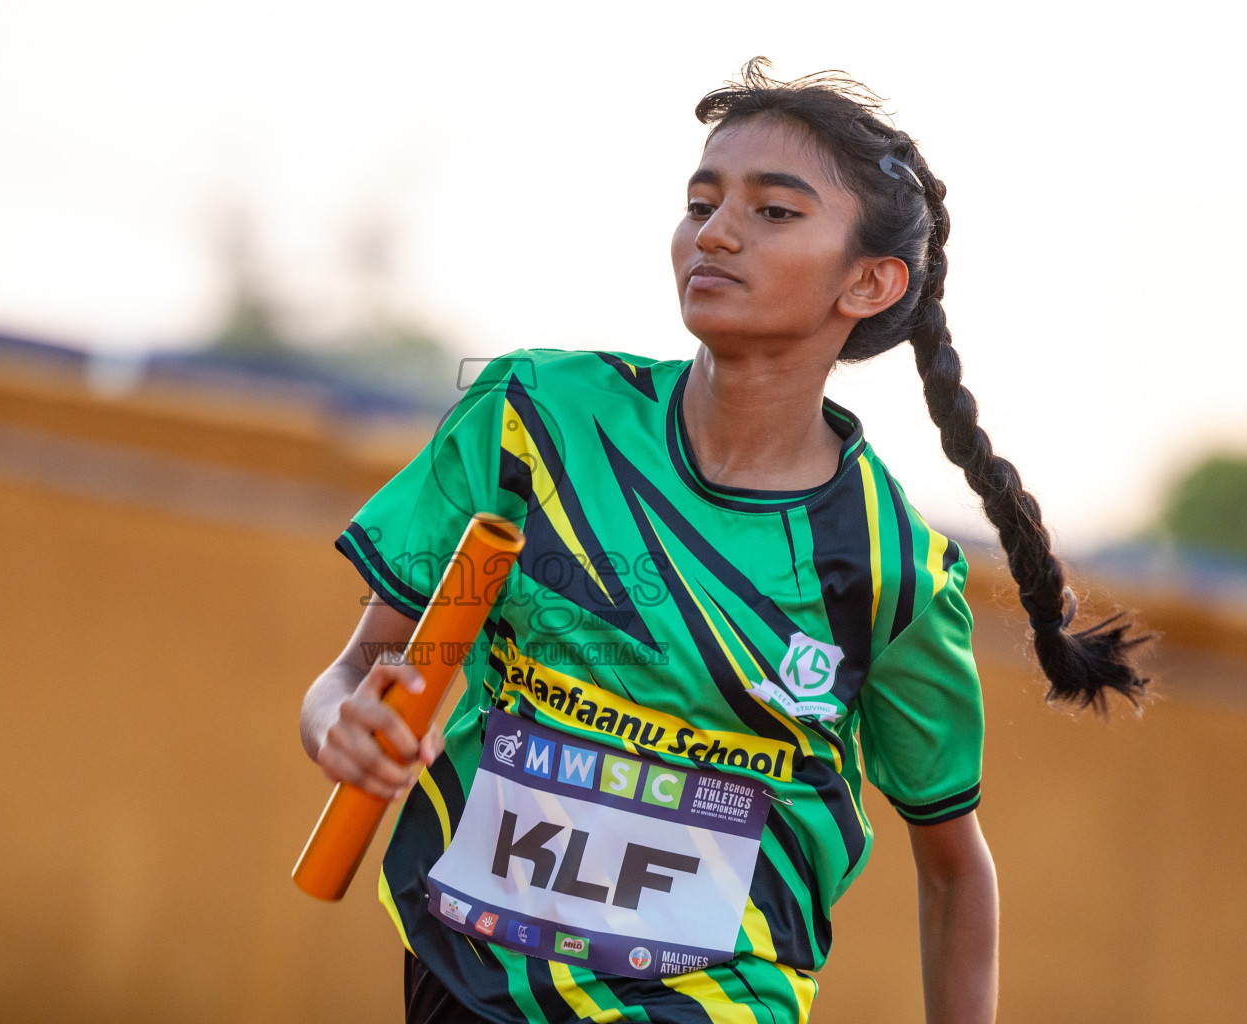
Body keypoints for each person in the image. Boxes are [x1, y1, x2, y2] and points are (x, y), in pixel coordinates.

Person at [300, 59, 1147, 1024]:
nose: (717, 232)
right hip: (466, 972)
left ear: (869, 281)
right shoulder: (534, 418)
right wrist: (339, 722)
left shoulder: (890, 569)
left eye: (775, 212)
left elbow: (955, 870)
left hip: (709, 1000)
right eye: (701, 202)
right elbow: (357, 671)